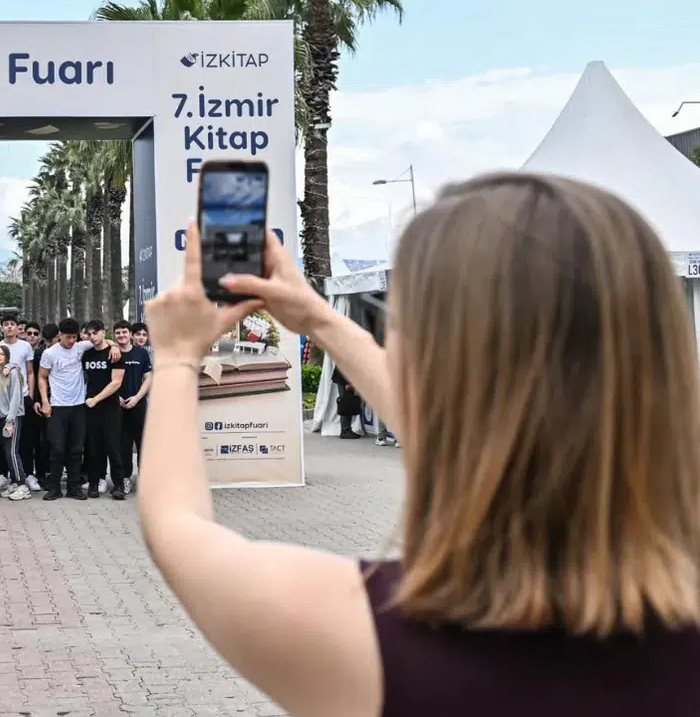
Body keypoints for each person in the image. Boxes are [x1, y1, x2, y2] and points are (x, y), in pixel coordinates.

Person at [139, 175, 700, 716]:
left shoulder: (362, 634)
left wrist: (178, 357)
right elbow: (468, 425)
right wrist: (318, 318)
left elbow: (175, 524)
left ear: (425, 364)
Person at [37, 318, 119, 502]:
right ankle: (54, 487)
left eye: (75, 337)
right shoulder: (49, 353)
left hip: (78, 406)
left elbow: (103, 340)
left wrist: (114, 346)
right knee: (57, 449)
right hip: (57, 406)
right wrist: (45, 401)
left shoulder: (81, 347)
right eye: (68, 337)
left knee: (76, 449)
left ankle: (74, 487)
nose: (72, 341)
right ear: (60, 335)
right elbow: (42, 377)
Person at [81, 320, 126, 500]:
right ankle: (94, 483)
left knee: (113, 446)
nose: (92, 337)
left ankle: (119, 484)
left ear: (103, 332)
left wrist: (96, 399)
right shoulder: (86, 354)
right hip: (90, 408)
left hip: (110, 408)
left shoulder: (115, 354)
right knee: (93, 447)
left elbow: (116, 382)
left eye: (95, 333)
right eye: (89, 334)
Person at [113, 320, 152, 493]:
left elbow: (148, 378)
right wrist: (116, 397)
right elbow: (107, 380)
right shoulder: (112, 353)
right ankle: (125, 478)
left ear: (130, 334)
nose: (122, 335)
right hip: (117, 407)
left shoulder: (141, 353)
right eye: (118, 332)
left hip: (139, 405)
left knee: (143, 443)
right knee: (123, 445)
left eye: (124, 332)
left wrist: (137, 398)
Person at [0, 344, 29, 501]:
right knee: (7, 452)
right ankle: (14, 482)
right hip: (1, 417)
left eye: (1, 354)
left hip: (12, 418)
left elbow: (15, 397)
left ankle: (23, 485)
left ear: (7, 357)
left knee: (13, 452)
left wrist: (10, 420)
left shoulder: (12, 372)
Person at [19, 321, 46, 491]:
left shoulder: (44, 352)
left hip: (42, 400)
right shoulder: (21, 351)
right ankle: (28, 473)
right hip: (27, 399)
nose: (32, 336)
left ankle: (42, 475)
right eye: (29, 333)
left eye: (36, 333)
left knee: (41, 441)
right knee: (26, 440)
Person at [333, 365, 362, 439]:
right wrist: (348, 382)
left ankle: (347, 429)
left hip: (343, 377)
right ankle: (345, 430)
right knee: (346, 403)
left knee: (348, 402)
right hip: (344, 378)